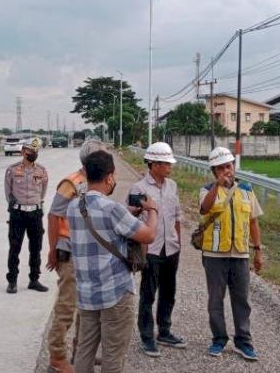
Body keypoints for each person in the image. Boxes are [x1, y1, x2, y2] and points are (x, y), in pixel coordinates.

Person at [67, 150, 157, 373]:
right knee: (113, 355)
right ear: (109, 177)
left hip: (87, 292)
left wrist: (128, 212)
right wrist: (152, 210)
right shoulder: (113, 209)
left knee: (84, 350)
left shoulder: (74, 207)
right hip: (115, 292)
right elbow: (148, 235)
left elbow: (100, 221)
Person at [46, 139, 107, 373]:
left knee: (88, 307)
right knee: (67, 306)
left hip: (88, 253)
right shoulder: (71, 183)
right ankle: (57, 359)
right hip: (70, 252)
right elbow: (53, 216)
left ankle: (81, 352)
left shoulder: (96, 183)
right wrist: (52, 250)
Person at [199, 147, 263, 361]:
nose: (227, 170)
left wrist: (258, 250)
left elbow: (253, 221)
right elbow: (204, 209)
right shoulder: (207, 189)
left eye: (229, 165)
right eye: (221, 168)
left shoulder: (246, 189)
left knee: (242, 299)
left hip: (241, 255)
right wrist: (217, 185)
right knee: (216, 300)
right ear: (214, 171)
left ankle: (243, 341)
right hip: (214, 255)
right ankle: (218, 338)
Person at [127, 142, 185, 357]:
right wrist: (137, 208)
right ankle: (147, 337)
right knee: (148, 294)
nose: (170, 167)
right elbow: (130, 218)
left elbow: (177, 217)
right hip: (150, 249)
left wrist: (178, 242)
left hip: (170, 248)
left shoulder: (173, 186)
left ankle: (165, 331)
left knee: (169, 292)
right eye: (166, 163)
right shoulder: (139, 188)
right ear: (154, 164)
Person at [4, 137, 49, 294]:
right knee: (15, 248)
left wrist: (37, 203)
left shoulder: (41, 170)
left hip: (35, 214)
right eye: (31, 151)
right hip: (18, 213)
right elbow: (8, 192)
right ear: (23, 151)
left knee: (36, 248)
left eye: (36, 151)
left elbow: (43, 191)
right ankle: (12, 281)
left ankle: (34, 279)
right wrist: (16, 207)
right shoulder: (12, 169)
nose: (34, 153)